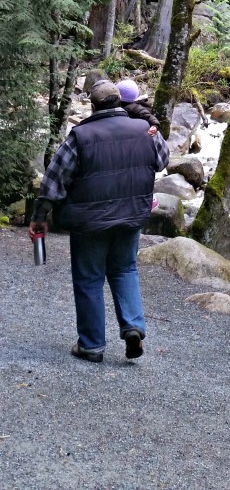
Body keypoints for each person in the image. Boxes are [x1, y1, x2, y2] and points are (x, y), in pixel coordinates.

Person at [29, 78, 169, 364]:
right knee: (125, 270)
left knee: (89, 279)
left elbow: (54, 180)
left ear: (92, 106)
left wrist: (40, 215)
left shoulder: (80, 136)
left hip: (89, 222)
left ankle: (92, 345)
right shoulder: (146, 130)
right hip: (131, 216)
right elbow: (163, 160)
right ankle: (132, 327)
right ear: (120, 101)